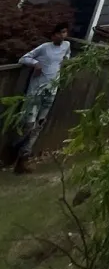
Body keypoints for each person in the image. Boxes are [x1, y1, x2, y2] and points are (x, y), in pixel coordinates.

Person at [14, 22, 71, 174]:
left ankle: (23, 160)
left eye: (64, 32)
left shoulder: (67, 46)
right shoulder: (45, 48)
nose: (62, 35)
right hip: (36, 93)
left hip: (51, 91)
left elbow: (67, 57)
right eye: (59, 33)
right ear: (53, 35)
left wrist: (65, 64)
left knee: (39, 125)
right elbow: (23, 58)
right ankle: (16, 147)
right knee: (29, 124)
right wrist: (36, 63)